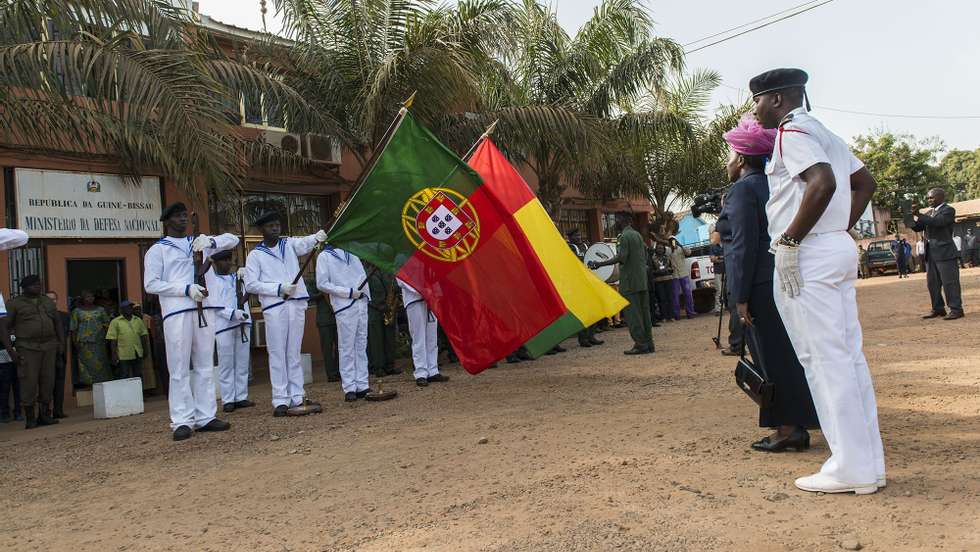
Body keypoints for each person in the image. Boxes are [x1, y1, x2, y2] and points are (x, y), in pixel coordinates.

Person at [751, 67, 884, 494]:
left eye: (757, 101)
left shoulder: (792, 133)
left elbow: (822, 182)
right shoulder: (827, 133)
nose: (754, 111)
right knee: (848, 358)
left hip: (807, 256)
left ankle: (850, 467)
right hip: (831, 249)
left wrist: (792, 239)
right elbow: (864, 183)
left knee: (824, 361)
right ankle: (866, 464)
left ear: (776, 100)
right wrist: (834, 228)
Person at [718, 114, 820, 452]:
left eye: (731, 154)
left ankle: (787, 429)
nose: (728, 161)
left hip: (758, 287)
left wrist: (741, 295)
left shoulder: (742, 190)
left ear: (743, 158)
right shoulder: (775, 185)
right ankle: (795, 422)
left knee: (769, 357)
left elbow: (745, 245)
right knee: (787, 353)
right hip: (780, 279)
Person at [144, 201, 236, 441]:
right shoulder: (158, 249)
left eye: (185, 216)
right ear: (167, 221)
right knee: (179, 368)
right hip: (178, 311)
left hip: (205, 309)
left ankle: (206, 416)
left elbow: (233, 239)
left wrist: (210, 242)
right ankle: (182, 420)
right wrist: (185, 289)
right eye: (178, 217)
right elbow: (151, 284)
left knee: (205, 365)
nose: (183, 220)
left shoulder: (198, 244)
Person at [244, 211, 327, 416]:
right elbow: (251, 284)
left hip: (296, 303)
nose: (275, 228)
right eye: (270, 226)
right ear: (262, 230)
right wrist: (279, 288)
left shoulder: (288, 244)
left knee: (293, 352)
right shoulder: (255, 255)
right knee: (278, 352)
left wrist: (317, 236)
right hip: (275, 306)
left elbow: (305, 243)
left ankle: (297, 395)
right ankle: (280, 399)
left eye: (277, 225)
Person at [0, 275, 65, 429]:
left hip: (49, 346)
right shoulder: (14, 304)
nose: (38, 287)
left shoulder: (47, 301)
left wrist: (61, 343)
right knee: (29, 381)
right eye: (34, 285)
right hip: (27, 347)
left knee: (48, 380)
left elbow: (57, 322)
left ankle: (44, 415)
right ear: (25, 287)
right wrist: (11, 350)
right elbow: (3, 328)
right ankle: (30, 418)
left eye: (39, 284)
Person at [588, 212, 654, 355]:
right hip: (642, 280)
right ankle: (649, 344)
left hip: (630, 282)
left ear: (623, 220)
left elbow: (622, 257)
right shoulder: (637, 235)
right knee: (644, 314)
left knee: (633, 315)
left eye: (616, 219)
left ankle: (640, 344)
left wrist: (600, 264)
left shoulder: (624, 237)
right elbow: (646, 253)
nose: (615, 223)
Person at [316, 245, 372, 401]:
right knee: (346, 346)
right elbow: (321, 283)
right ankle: (349, 387)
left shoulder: (352, 252)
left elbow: (361, 275)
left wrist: (365, 296)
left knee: (361, 345)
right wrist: (347, 292)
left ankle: (362, 383)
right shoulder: (325, 256)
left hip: (360, 303)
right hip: (344, 304)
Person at [204, 250, 254, 413]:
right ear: (216, 263)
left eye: (229, 260)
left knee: (242, 361)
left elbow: (248, 295)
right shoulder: (213, 281)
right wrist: (232, 314)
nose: (228, 263)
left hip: (243, 322)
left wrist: (247, 279)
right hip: (224, 324)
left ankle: (241, 396)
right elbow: (214, 304)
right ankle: (228, 399)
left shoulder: (237, 278)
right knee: (226, 363)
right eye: (224, 260)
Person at [904, 188, 964, 320]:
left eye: (931, 198)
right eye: (927, 198)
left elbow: (938, 222)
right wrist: (908, 216)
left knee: (950, 282)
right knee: (933, 283)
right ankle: (938, 308)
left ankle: (956, 309)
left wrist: (919, 214)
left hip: (945, 252)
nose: (929, 200)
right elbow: (918, 227)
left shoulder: (948, 210)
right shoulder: (929, 212)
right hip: (930, 252)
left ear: (941, 197)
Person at [396, 278, 449, 387]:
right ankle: (421, 372)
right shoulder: (402, 260)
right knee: (419, 338)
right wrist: (422, 290)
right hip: (414, 299)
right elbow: (402, 279)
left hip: (431, 298)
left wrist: (435, 292)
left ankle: (433, 370)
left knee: (432, 337)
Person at [70, 289, 113, 385]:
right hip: (84, 343)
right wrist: (75, 342)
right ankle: (88, 384)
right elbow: (73, 328)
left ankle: (102, 383)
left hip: (99, 342)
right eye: (88, 297)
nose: (90, 298)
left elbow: (107, 325)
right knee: (86, 363)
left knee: (101, 363)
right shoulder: (76, 311)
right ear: (83, 298)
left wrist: (108, 340)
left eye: (92, 296)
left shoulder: (101, 310)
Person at [366, 266, 399, 377]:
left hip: (388, 308)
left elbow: (395, 287)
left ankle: (390, 366)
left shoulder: (388, 270)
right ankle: (378, 367)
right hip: (374, 310)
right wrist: (378, 305)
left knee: (389, 338)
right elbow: (364, 292)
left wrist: (392, 301)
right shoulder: (366, 271)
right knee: (376, 340)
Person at [106, 300, 150, 380]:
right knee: (124, 375)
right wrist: (114, 354)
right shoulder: (115, 322)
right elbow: (113, 340)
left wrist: (145, 349)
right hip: (123, 354)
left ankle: (138, 392)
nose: (129, 309)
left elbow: (143, 335)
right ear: (121, 310)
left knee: (138, 374)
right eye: (127, 308)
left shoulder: (138, 320)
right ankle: (125, 392)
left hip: (137, 352)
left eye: (130, 307)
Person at [46, 290, 70, 418]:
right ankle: (45, 412)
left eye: (54, 299)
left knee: (59, 383)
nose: (51, 301)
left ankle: (58, 411)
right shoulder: (42, 316)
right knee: (46, 384)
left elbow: (65, 335)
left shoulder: (65, 316)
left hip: (60, 354)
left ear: (57, 300)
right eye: (48, 299)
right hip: (45, 356)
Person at [312, 290, 340, 382]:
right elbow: (309, 297)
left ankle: (339, 372)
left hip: (337, 317)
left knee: (340, 347)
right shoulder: (315, 280)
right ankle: (331, 374)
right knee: (327, 349)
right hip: (324, 320)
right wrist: (322, 293)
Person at [668, 237, 695, 319]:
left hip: (684, 274)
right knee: (675, 296)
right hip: (674, 275)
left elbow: (688, 253)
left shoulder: (681, 248)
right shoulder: (668, 250)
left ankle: (690, 313)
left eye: (674, 240)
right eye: (671, 241)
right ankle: (677, 315)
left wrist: (681, 245)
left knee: (688, 294)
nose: (673, 242)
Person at [649, 243, 675, 324]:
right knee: (662, 299)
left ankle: (671, 316)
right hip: (658, 281)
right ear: (656, 249)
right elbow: (651, 271)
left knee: (670, 298)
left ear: (664, 250)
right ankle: (663, 317)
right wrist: (658, 271)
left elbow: (672, 268)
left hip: (668, 279)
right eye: (658, 248)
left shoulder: (667, 258)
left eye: (662, 248)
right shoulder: (652, 259)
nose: (660, 250)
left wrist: (668, 270)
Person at [709, 231, 725, 314]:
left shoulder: (726, 245)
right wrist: (721, 257)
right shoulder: (713, 246)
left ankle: (728, 306)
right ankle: (718, 309)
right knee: (719, 290)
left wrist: (718, 258)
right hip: (718, 271)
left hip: (726, 270)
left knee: (728, 289)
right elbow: (712, 259)